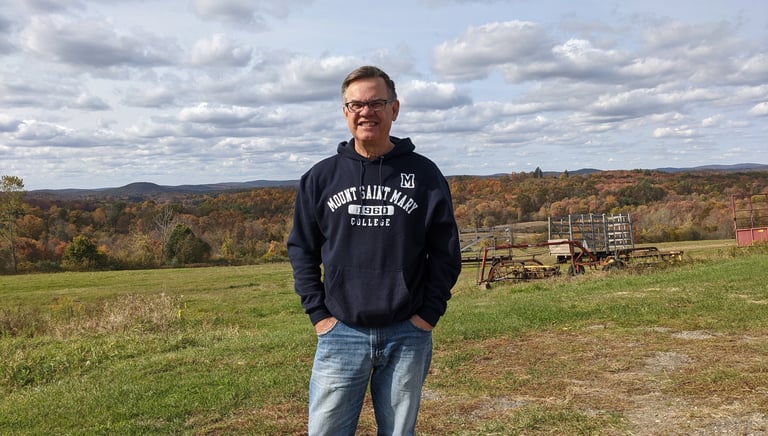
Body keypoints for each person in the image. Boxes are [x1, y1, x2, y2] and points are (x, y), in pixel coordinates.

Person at [287, 65, 462, 435]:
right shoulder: (320, 178)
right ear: (345, 112)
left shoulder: (425, 175)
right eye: (356, 105)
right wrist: (319, 316)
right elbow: (302, 248)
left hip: (406, 333)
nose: (366, 112)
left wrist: (427, 316)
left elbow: (445, 251)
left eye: (376, 103)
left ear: (394, 109)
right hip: (340, 332)